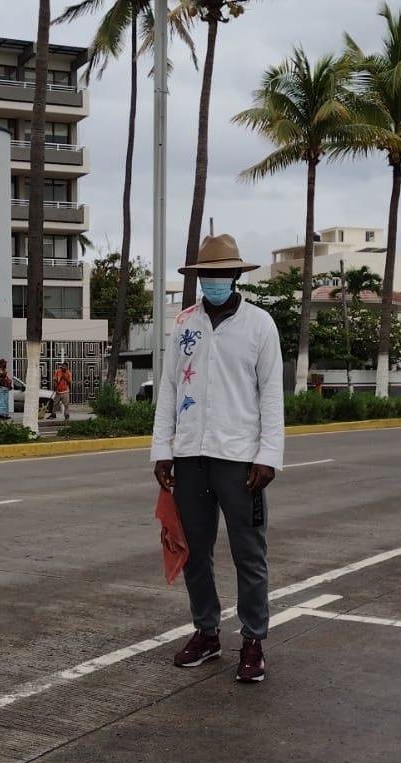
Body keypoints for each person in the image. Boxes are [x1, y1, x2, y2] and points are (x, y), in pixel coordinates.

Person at [152, 234, 284, 684]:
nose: (214, 281)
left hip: (240, 460)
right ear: (198, 278)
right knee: (195, 551)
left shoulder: (260, 325)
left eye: (221, 274)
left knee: (249, 552)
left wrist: (268, 456)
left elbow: (271, 393)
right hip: (190, 455)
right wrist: (162, 449)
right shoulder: (185, 323)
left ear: (235, 276)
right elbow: (170, 388)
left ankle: (253, 640)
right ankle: (207, 633)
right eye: (206, 275)